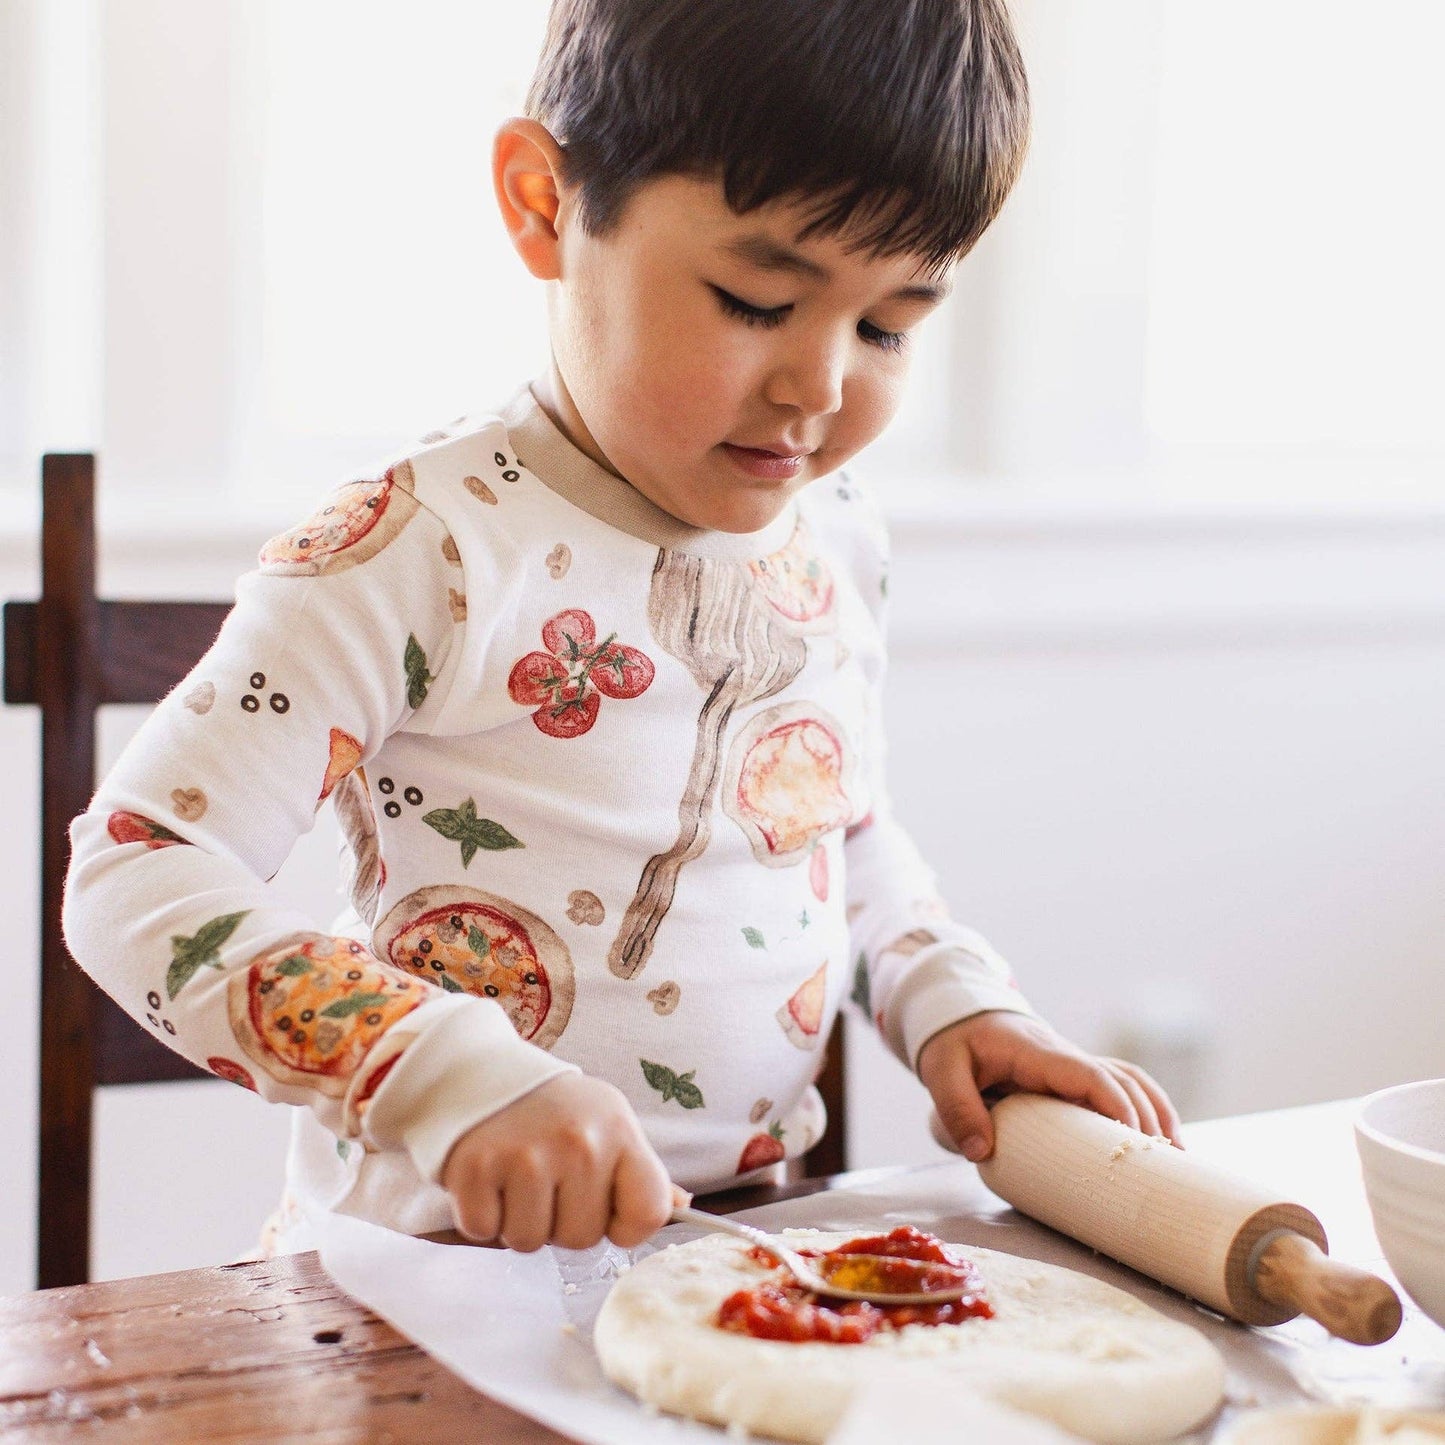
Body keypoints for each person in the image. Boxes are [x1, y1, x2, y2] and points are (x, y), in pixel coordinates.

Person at [63, 0, 1181, 1258]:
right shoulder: (415, 546)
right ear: (544, 202)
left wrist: (951, 998)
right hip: (420, 1283)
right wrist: (441, 1073)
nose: (817, 387)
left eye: (888, 326)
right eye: (756, 298)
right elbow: (135, 869)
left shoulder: (838, 531)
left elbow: (838, 831)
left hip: (749, 1256)